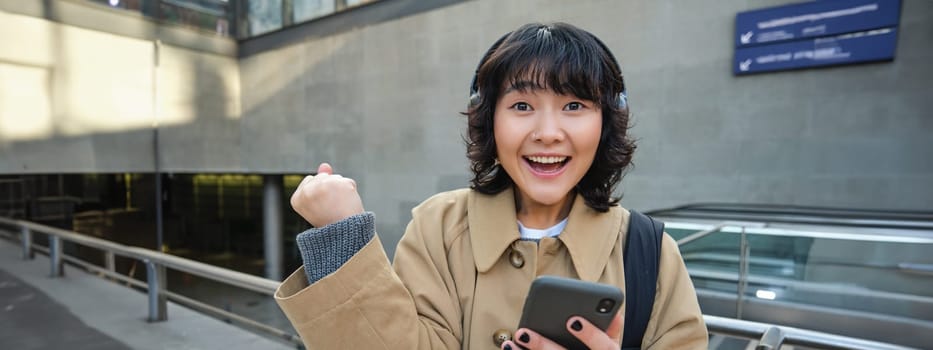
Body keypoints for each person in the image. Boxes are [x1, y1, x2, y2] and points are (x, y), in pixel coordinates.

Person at [275, 22, 708, 349]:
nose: (548, 132)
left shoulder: (649, 250)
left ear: (606, 122)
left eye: (574, 105)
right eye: (522, 105)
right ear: (489, 120)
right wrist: (342, 242)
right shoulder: (438, 228)